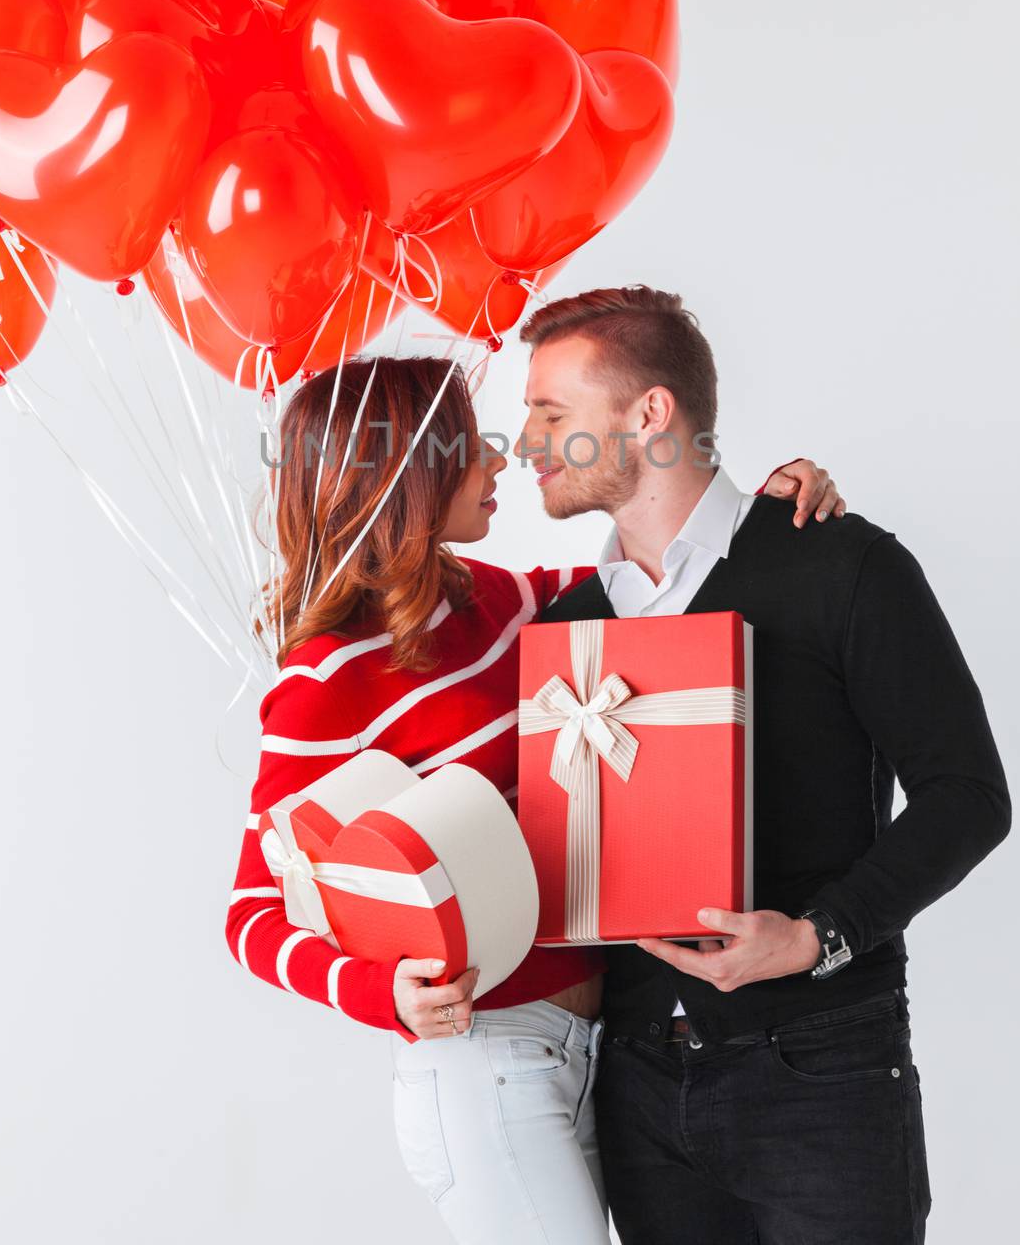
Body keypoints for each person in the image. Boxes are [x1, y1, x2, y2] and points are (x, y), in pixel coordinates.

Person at [225, 352, 842, 1244]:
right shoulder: (326, 678)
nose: (502, 461)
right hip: (486, 1064)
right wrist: (377, 992)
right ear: (408, 474)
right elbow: (250, 914)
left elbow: (665, 578)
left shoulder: (504, 603)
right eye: (473, 446)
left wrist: (763, 511)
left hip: (602, 1053)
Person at [518, 285, 1012, 1245]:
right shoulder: (565, 623)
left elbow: (968, 797)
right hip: (636, 1085)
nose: (525, 443)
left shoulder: (841, 566)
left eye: (549, 413)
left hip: (820, 1067)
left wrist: (817, 935)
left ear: (648, 413)